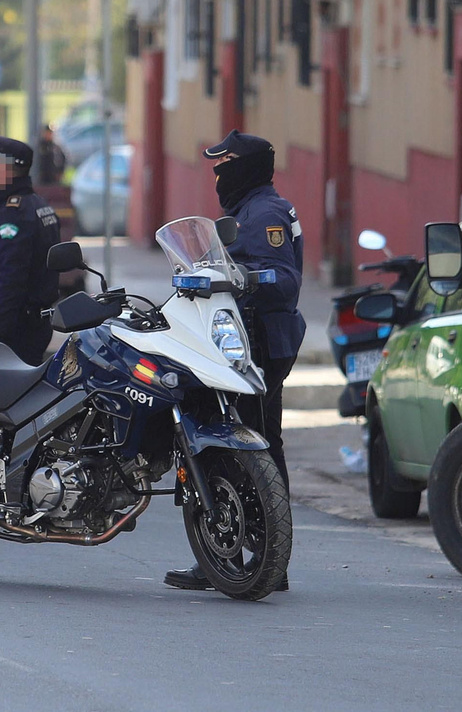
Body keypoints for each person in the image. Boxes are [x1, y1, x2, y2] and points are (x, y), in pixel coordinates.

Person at [165, 128, 304, 594]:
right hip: (243, 343)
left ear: (244, 168)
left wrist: (239, 277)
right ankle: (243, 554)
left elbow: (282, 280)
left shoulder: (264, 213)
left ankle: (258, 556)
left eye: (223, 167)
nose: (217, 175)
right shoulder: (246, 211)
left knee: (252, 448)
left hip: (259, 346)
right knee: (248, 446)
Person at [0, 136, 62, 364]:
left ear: (5, 170)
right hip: (31, 323)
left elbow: (11, 281)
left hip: (16, 330)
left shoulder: (13, 214)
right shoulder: (38, 205)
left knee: (1, 397)